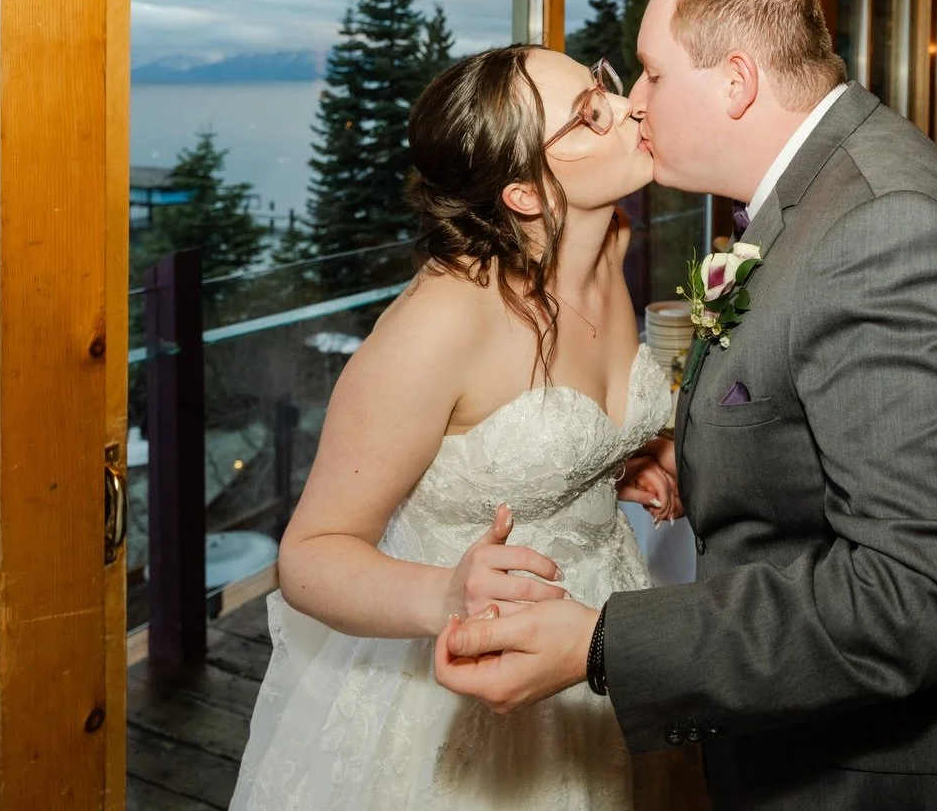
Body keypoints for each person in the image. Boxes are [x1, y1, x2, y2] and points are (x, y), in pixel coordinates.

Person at [435, 0, 937, 810]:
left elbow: (917, 596)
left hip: (919, 777)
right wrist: (714, 449)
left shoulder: (888, 233)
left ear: (736, 81)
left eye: (649, 72)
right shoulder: (827, 187)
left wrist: (601, 647)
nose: (634, 102)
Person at [229, 45, 703, 810]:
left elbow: (540, 425)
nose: (629, 109)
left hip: (605, 631)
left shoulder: (609, 244)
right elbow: (309, 558)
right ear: (523, 195)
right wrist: (445, 597)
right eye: (589, 116)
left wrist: (622, 457)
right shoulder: (440, 322)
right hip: (471, 682)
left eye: (603, 88)